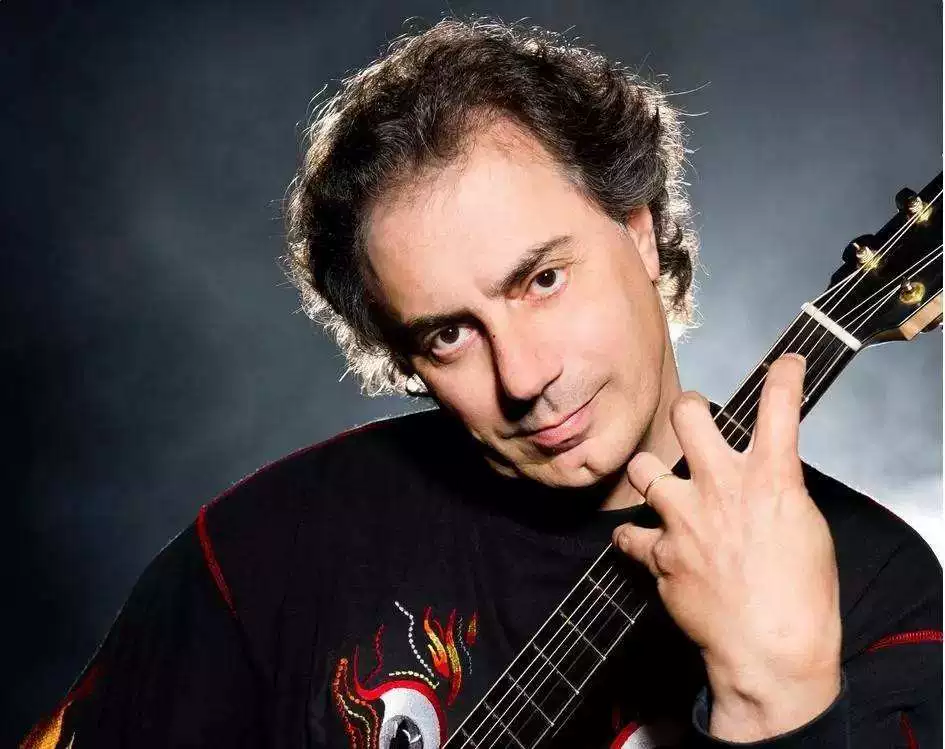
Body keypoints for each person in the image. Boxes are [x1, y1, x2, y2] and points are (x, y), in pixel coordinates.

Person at [22, 17, 941, 749]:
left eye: (542, 279)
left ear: (637, 231)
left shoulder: (875, 586)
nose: (525, 376)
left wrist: (777, 695)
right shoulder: (265, 550)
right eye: (449, 333)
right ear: (405, 358)